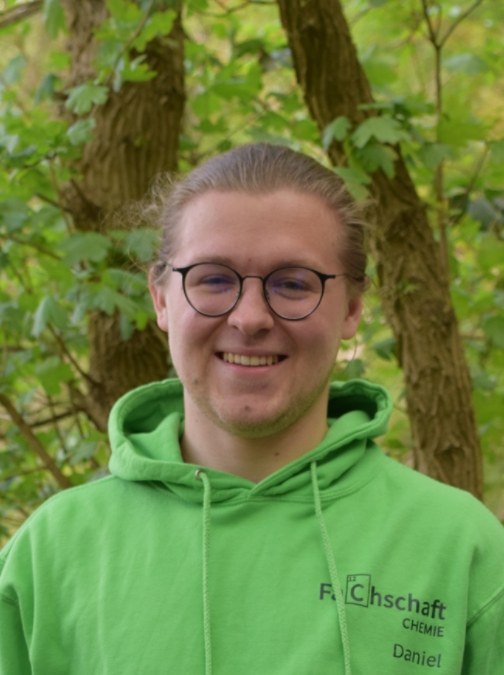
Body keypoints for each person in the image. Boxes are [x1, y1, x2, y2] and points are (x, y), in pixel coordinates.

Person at [0, 144, 503, 675]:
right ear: (161, 299)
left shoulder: (460, 548)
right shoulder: (50, 554)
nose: (250, 317)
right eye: (214, 279)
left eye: (293, 283)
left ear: (353, 308)